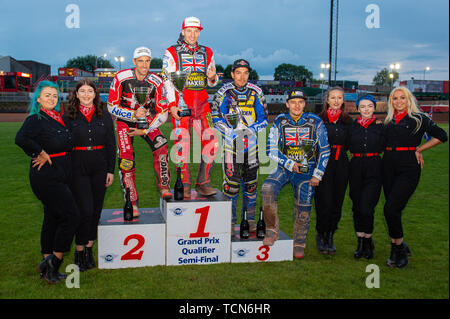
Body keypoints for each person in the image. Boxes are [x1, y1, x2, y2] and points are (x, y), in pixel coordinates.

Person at [15, 81, 79, 284]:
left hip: (61, 173)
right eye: (47, 95)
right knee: (71, 216)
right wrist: (40, 152)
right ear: (38, 99)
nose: (52, 99)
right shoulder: (36, 118)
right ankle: (52, 263)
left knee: (52, 218)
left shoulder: (57, 119)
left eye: (54, 95)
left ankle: (47, 267)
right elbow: (21, 138)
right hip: (46, 177)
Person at [382, 86, 447, 268]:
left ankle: (399, 250)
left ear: (409, 99)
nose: (399, 101)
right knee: (392, 209)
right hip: (387, 167)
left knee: (391, 209)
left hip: (408, 168)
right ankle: (398, 243)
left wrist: (419, 149)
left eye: (402, 98)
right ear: (391, 101)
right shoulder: (388, 121)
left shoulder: (419, 119)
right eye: (395, 98)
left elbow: (442, 136)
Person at [261, 89, 330, 259]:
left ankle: (299, 242)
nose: (297, 105)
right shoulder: (279, 121)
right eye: (293, 102)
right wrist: (290, 164)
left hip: (307, 171)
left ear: (305, 103)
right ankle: (271, 230)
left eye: (300, 102)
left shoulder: (316, 122)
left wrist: (318, 174)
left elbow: (325, 149)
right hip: (285, 167)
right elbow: (270, 149)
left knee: (303, 207)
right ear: (287, 104)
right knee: (267, 188)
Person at [107, 46, 172, 217]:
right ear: (134, 62)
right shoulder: (121, 77)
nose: (144, 64)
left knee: (161, 144)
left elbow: (162, 112)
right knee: (126, 158)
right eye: (141, 61)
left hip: (146, 122)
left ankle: (163, 186)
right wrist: (132, 114)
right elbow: (111, 106)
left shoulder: (156, 81)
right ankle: (132, 201)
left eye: (147, 61)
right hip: (125, 121)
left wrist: (145, 131)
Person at [162, 16, 219, 198]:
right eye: (189, 31)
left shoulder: (208, 51)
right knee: (182, 144)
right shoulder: (171, 51)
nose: (193, 34)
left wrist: (212, 77)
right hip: (181, 102)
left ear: (200, 32)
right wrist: (172, 105)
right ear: (183, 31)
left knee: (212, 142)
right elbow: (167, 81)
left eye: (196, 31)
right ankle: (183, 183)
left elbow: (212, 81)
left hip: (202, 103)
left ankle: (203, 182)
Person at [211, 59, 268, 236]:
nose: (242, 76)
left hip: (251, 147)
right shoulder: (223, 92)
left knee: (251, 186)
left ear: (248, 74)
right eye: (238, 72)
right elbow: (215, 117)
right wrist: (230, 131)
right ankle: (228, 220)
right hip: (231, 147)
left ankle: (249, 220)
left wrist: (251, 130)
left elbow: (264, 119)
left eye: (245, 73)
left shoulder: (256, 92)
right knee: (231, 186)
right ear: (232, 74)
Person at [63, 80, 116, 271]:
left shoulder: (104, 114)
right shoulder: (69, 116)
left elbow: (111, 145)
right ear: (76, 94)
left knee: (95, 211)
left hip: (100, 167)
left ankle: (89, 250)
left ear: (95, 94)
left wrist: (111, 169)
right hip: (78, 167)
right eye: (82, 91)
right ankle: (78, 250)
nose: (86, 94)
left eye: (90, 91)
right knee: (84, 210)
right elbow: (62, 145)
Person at [313, 86, 351, 255]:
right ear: (327, 100)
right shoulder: (318, 120)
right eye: (333, 97)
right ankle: (321, 234)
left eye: (339, 98)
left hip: (341, 164)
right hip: (323, 164)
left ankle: (330, 235)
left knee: (337, 202)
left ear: (343, 101)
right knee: (324, 201)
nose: (336, 101)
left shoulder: (348, 121)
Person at [348, 95, 384, 260]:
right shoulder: (352, 126)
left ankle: (368, 240)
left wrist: (416, 151)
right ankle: (360, 242)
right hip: (355, 168)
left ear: (374, 108)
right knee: (356, 207)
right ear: (357, 109)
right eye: (363, 106)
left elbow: (393, 144)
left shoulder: (381, 127)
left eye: (370, 106)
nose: (366, 109)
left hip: (374, 167)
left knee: (366, 207)